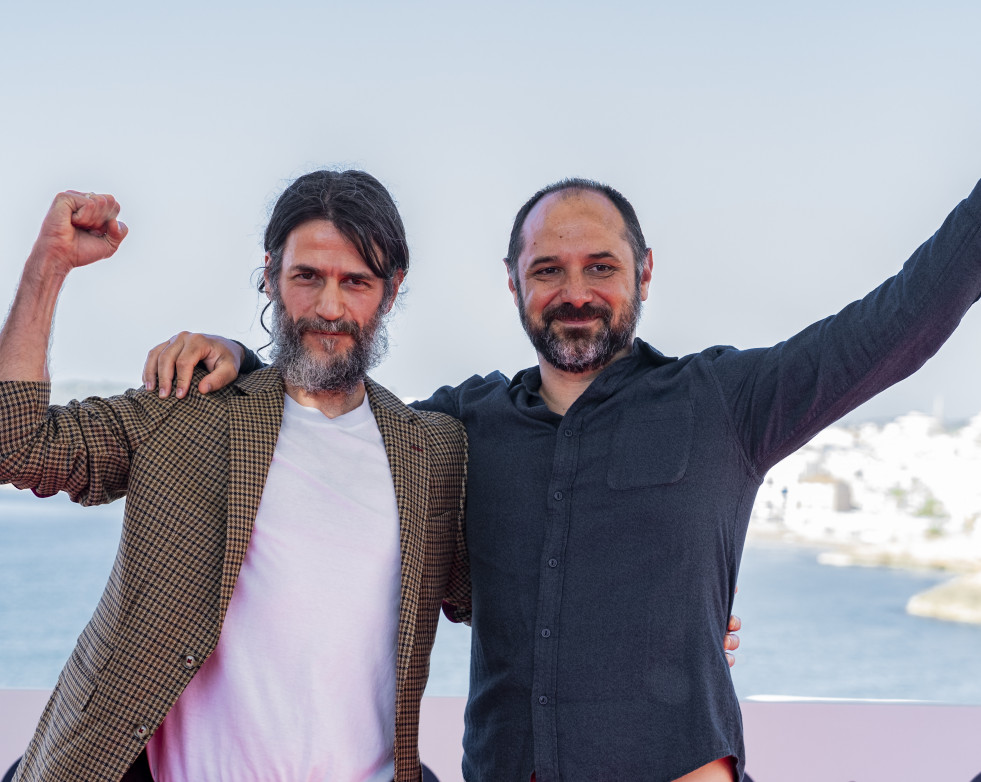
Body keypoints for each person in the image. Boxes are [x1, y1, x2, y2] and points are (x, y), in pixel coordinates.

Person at [156, 173, 981, 782]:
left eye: (600, 267)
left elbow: (902, 318)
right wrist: (237, 357)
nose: (575, 292)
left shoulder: (726, 403)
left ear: (644, 273)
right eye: (547, 269)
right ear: (512, 280)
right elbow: (322, 417)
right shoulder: (457, 427)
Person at [0, 171, 470, 782]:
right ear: (272, 275)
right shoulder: (188, 408)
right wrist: (50, 265)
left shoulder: (435, 452)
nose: (330, 307)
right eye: (308, 277)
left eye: (356, 281)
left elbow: (504, 597)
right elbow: (17, 444)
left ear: (391, 288)